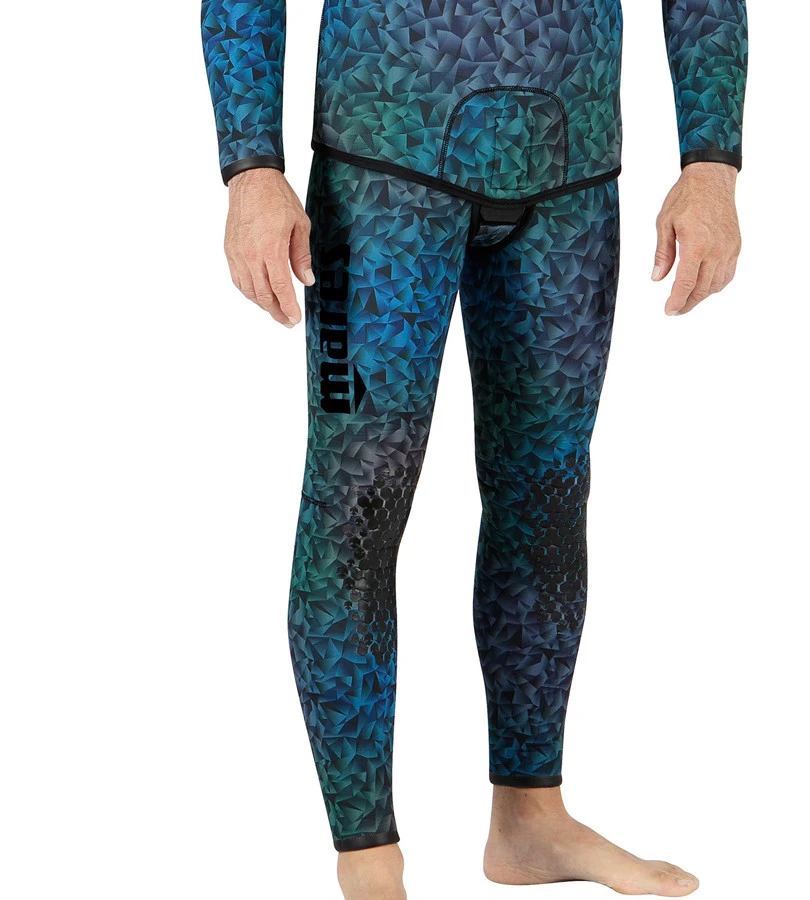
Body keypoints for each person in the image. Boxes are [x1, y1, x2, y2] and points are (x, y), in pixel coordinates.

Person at [202, 1, 746, 897]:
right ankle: (369, 861)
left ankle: (531, 820)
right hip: (383, 177)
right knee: (359, 501)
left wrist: (711, 161)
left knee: (547, 495)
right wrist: (251, 167)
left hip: (570, 176)